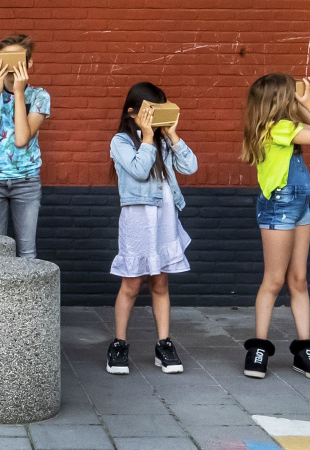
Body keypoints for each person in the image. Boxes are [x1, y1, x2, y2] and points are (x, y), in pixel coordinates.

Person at [240, 74, 310, 380]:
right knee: (274, 279)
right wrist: (309, 104)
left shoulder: (286, 127)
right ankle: (257, 348)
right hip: (280, 207)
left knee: (299, 279)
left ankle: (304, 351)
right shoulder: (278, 129)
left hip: (299, 206)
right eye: (291, 93)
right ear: (280, 99)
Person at [106, 82, 198, 375]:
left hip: (164, 221)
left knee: (160, 282)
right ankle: (119, 344)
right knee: (131, 284)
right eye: (150, 112)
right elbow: (138, 170)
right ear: (133, 112)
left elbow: (191, 166)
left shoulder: (163, 141)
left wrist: (172, 134)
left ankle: (163, 343)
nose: (155, 119)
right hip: (137, 223)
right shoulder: (121, 140)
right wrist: (147, 137)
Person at [0, 34, 50, 258]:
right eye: (4, 59)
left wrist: (18, 92)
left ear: (29, 63)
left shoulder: (39, 96)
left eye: (17, 59)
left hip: (26, 181)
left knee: (27, 252)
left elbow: (21, 139)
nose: (10, 65)